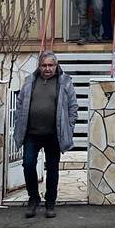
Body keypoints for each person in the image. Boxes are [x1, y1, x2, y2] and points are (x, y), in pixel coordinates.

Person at [12, 50, 78, 219]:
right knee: (28, 164)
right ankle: (33, 198)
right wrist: (19, 120)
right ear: (39, 66)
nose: (47, 69)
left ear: (56, 66)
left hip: (54, 134)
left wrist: (69, 127)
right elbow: (20, 103)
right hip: (32, 134)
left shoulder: (64, 82)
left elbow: (72, 107)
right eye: (44, 65)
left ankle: (50, 202)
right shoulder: (30, 81)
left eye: (50, 65)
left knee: (53, 169)